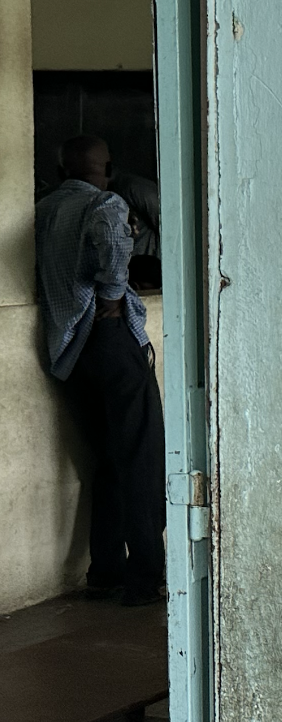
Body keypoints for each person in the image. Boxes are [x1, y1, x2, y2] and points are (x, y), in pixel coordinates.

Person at [34, 135, 167, 605]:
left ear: (61, 165)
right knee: (142, 459)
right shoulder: (106, 203)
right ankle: (144, 579)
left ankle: (105, 572)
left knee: (109, 461)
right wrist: (113, 295)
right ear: (107, 166)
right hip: (110, 341)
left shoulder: (46, 208)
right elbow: (114, 247)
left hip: (70, 349)